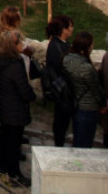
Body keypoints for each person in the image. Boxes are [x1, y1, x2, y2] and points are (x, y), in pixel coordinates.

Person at [0, 29, 36, 187]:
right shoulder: (15, 66)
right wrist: (32, 96)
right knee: (13, 143)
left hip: (3, 104)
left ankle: (2, 168)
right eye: (20, 42)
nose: (22, 44)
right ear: (12, 46)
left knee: (4, 138)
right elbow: (24, 89)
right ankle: (13, 174)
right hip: (14, 108)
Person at [63, 31, 106, 148]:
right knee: (84, 143)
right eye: (91, 45)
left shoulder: (67, 59)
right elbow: (96, 89)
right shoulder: (86, 68)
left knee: (78, 139)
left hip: (75, 103)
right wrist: (104, 103)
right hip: (87, 107)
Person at [44, 14, 74, 146]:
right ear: (64, 29)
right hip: (62, 89)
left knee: (62, 120)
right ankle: (59, 145)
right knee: (61, 121)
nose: (72, 29)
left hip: (64, 89)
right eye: (70, 26)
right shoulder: (56, 47)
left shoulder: (62, 44)